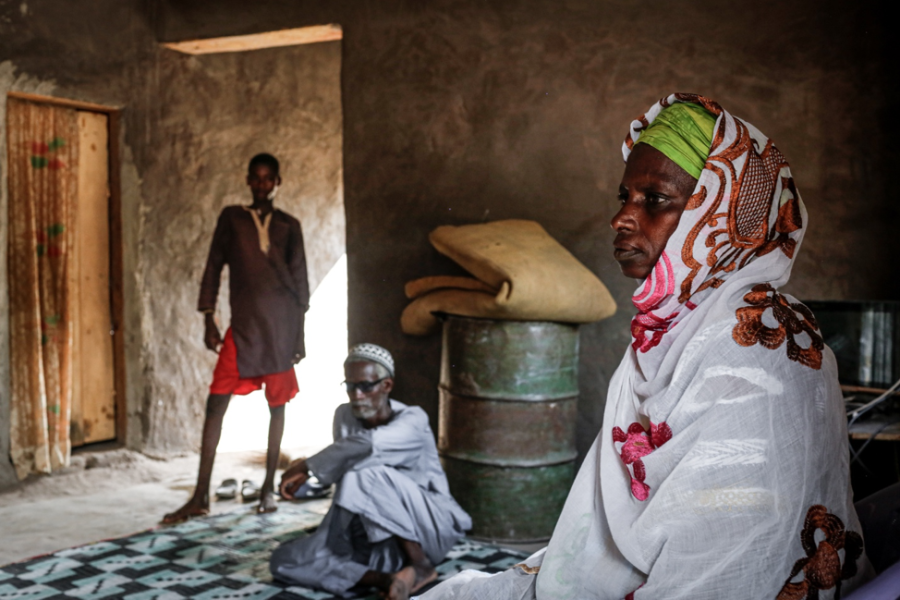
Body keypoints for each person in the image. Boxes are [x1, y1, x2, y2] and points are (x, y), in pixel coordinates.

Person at [417, 94, 873, 599]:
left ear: (719, 214)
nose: (621, 219)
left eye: (654, 200)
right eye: (624, 196)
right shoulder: (671, 330)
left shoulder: (760, 347)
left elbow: (731, 562)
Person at [163, 153, 309, 522]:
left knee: (277, 408)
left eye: (268, 179)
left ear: (278, 182)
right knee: (216, 404)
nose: (261, 184)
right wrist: (208, 317)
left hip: (279, 331)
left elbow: (301, 287)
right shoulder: (232, 218)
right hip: (243, 330)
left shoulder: (290, 226)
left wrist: (299, 337)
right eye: (255, 178)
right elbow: (214, 265)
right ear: (247, 181)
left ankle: (266, 490)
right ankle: (200, 495)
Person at [270, 343, 472, 600]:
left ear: (386, 386)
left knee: (363, 472)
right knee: (284, 559)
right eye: (350, 386)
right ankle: (386, 579)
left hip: (427, 526)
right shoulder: (344, 416)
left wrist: (306, 466)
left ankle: (420, 564)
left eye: (365, 386)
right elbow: (342, 470)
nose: (356, 395)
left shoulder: (414, 420)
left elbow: (369, 445)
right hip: (373, 531)